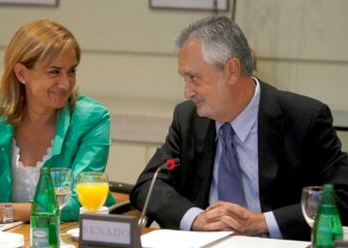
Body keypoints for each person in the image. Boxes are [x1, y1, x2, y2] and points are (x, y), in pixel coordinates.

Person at [130, 16, 348, 241]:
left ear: (232, 70)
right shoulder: (188, 118)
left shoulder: (304, 119)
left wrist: (263, 222)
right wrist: (196, 219)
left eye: (194, 78)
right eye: (184, 78)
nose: (187, 91)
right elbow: (148, 184)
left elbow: (343, 196)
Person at [0, 19, 115, 230]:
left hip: (67, 235)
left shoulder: (92, 119)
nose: (66, 83)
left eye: (71, 71)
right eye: (54, 72)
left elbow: (76, 204)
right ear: (22, 73)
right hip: (6, 237)